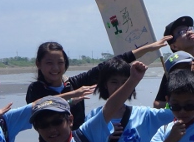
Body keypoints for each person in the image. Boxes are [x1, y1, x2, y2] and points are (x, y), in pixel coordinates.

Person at [26, 39, 168, 130]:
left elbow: (108, 65)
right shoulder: (36, 89)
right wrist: (72, 95)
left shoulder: (74, 83)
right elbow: (38, 106)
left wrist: (148, 48)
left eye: (60, 63)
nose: (55, 68)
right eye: (49, 63)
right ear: (39, 64)